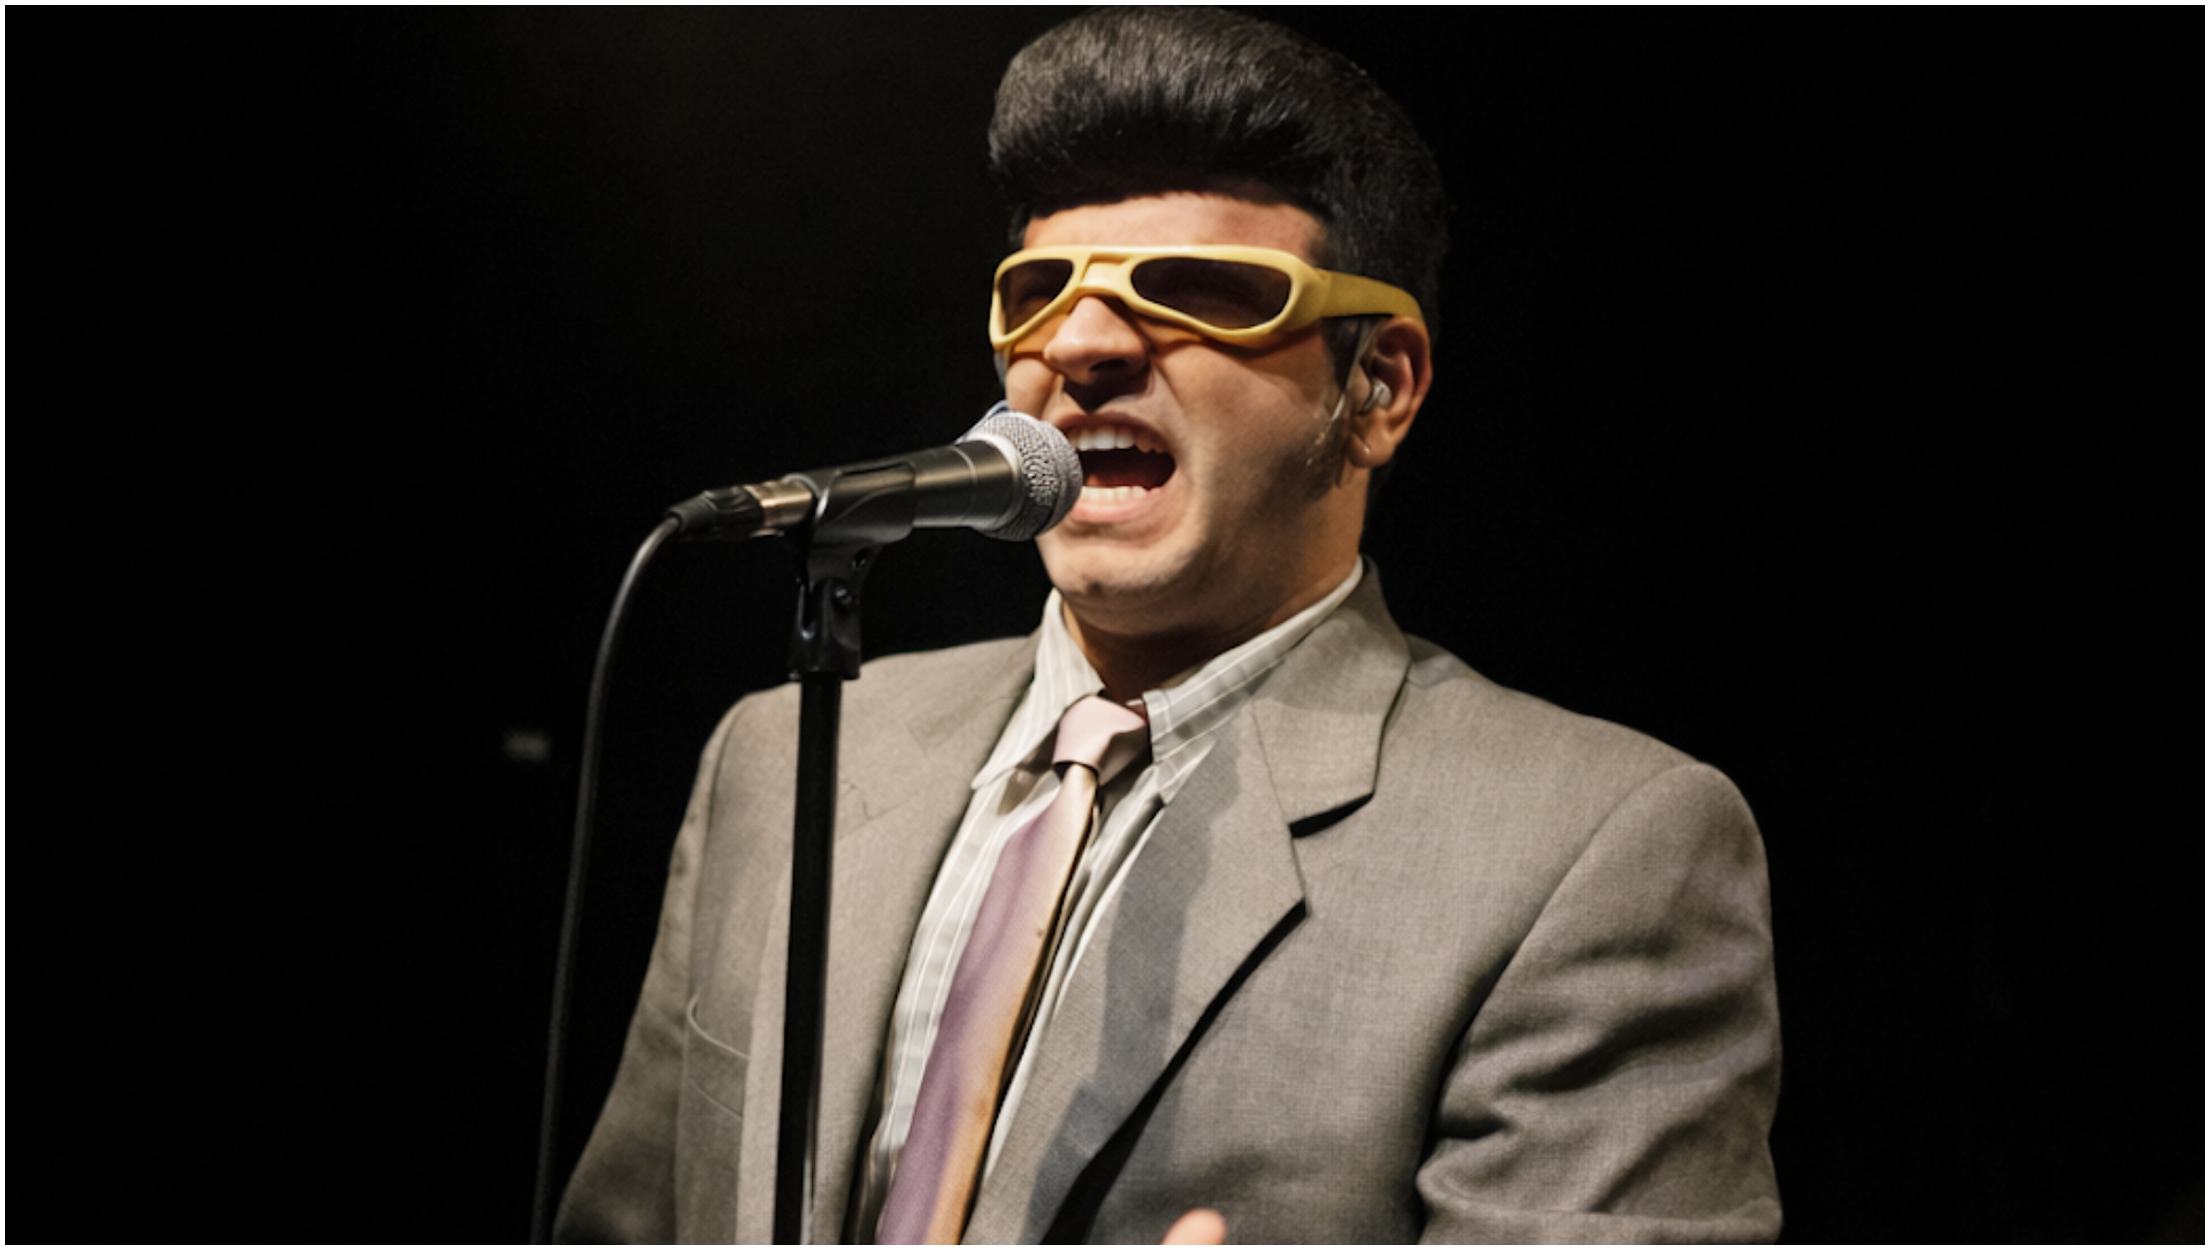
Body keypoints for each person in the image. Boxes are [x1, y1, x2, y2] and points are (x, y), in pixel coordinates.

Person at [557, 8, 1780, 1244]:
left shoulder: (1598, 852)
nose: (1082, 343)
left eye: (1195, 291)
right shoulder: (784, 755)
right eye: (1040, 292)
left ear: (1378, 386)